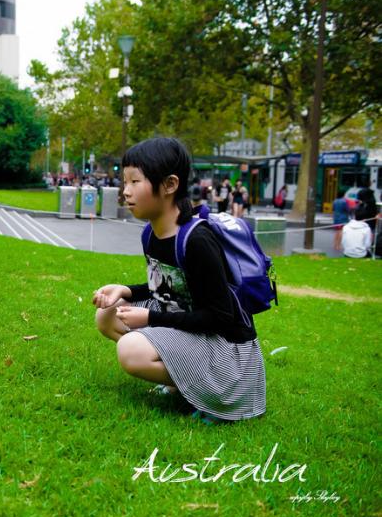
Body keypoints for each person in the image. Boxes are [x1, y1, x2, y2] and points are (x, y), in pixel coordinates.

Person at [93, 137, 265, 424]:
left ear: (170, 185)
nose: (126, 192)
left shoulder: (197, 240)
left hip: (228, 353)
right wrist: (125, 290)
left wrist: (149, 316)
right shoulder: (150, 233)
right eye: (125, 182)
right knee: (107, 314)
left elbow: (220, 317)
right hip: (189, 325)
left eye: (135, 182)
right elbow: (169, 286)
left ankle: (210, 393)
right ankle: (181, 382)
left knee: (130, 350)